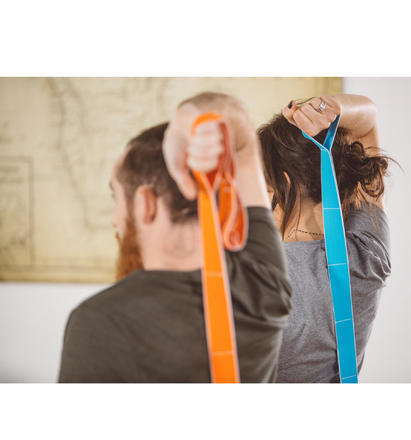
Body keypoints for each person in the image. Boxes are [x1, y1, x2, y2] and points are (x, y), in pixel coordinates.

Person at [58, 92, 292, 383]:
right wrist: (190, 118)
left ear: (146, 203)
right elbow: (243, 143)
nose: (114, 218)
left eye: (117, 198)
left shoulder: (99, 322)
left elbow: (243, 148)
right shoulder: (262, 284)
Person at [258, 94, 392, 383]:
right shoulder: (367, 255)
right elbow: (367, 124)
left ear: (282, 184)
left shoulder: (256, 277)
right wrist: (332, 107)